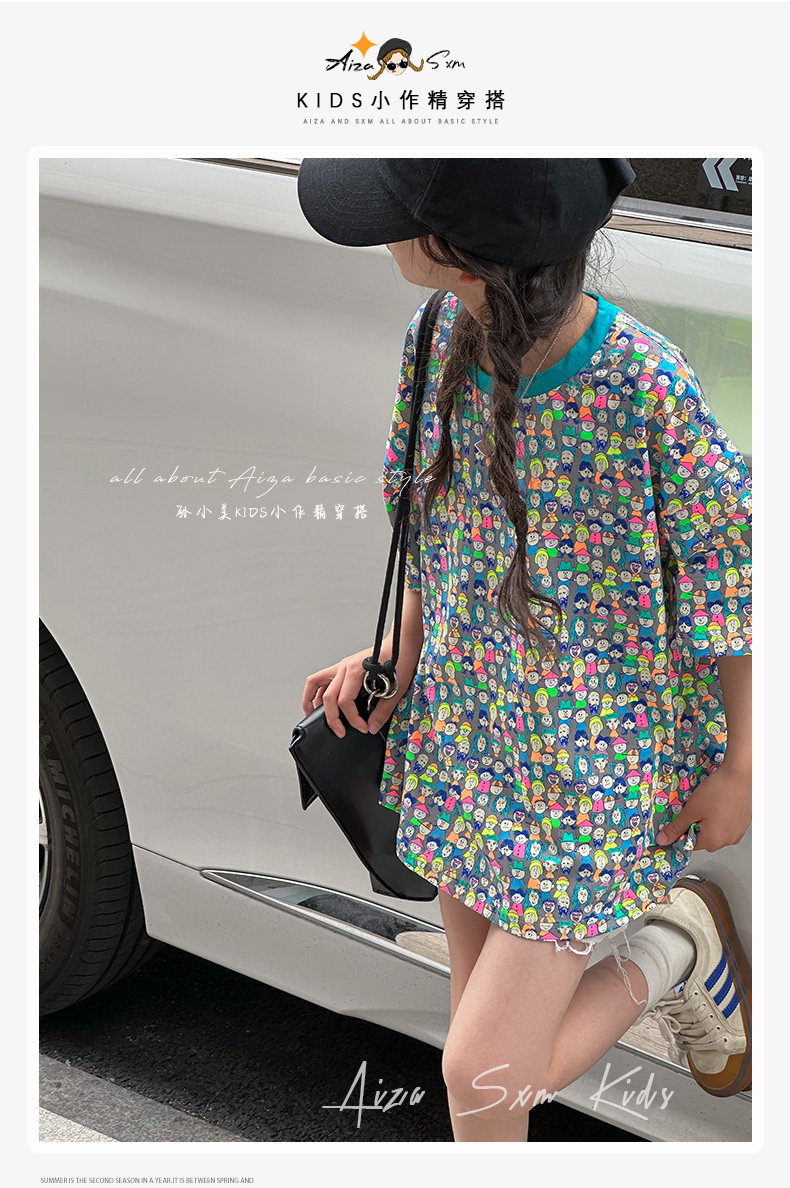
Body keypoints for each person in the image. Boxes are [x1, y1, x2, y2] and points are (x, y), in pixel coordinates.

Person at [297, 159, 753, 1142]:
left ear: (461, 250)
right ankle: (675, 946)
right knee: (489, 1057)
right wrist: (395, 654)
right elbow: (435, 523)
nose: (385, 229)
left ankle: (670, 948)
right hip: (469, 732)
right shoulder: (433, 334)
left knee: (479, 1072)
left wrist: (741, 763)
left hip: (595, 766)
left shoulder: (642, 382)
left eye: (400, 212)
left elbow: (735, 574)